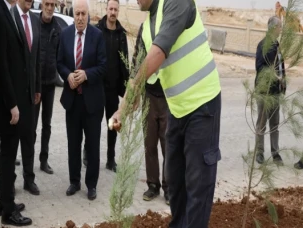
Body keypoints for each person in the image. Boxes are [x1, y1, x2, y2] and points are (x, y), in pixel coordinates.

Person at [110, 0, 222, 227]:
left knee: (197, 184)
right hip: (177, 109)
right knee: (176, 181)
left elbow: (158, 52)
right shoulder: (148, 24)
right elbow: (137, 67)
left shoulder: (177, 3)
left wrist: (133, 94)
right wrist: (123, 108)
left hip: (202, 106)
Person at [0, 0, 41, 224]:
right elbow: (1, 64)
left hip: (16, 97)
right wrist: (12, 103)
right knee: (8, 156)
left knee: (9, 155)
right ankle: (8, 212)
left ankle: (5, 202)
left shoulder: (6, 10)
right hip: (7, 103)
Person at [57, 0, 107, 200]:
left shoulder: (98, 36)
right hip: (73, 101)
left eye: (83, 14)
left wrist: (86, 75)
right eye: (77, 14)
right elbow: (59, 62)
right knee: (73, 143)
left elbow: (103, 66)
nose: (79, 18)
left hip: (92, 102)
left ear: (88, 15)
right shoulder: (66, 35)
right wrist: (67, 75)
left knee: (92, 145)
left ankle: (91, 184)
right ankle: (74, 181)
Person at [84, 0, 128, 172]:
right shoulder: (96, 30)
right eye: (110, 8)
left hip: (112, 89)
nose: (113, 12)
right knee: (92, 124)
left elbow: (124, 63)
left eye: (116, 9)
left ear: (118, 11)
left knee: (112, 125)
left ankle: (111, 159)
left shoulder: (121, 34)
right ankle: (87, 154)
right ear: (106, 9)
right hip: (96, 87)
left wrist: (126, 90)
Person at [131, 21, 168, 203]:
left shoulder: (170, 23)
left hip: (169, 95)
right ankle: (153, 185)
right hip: (149, 95)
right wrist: (134, 91)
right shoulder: (144, 26)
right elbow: (137, 58)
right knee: (150, 143)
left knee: (168, 145)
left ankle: (169, 187)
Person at [12, 0, 42, 196]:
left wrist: (37, 87)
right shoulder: (10, 17)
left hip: (32, 93)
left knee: (29, 137)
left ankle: (29, 179)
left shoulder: (35, 19)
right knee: (12, 139)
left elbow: (37, 58)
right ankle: (9, 181)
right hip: (14, 93)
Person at [32, 0, 61, 175]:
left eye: (52, 5)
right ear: (42, 4)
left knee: (47, 124)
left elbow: (60, 56)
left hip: (50, 84)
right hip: (35, 84)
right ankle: (29, 161)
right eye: (47, 4)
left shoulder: (58, 29)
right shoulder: (34, 23)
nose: (49, 8)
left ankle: (44, 160)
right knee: (32, 125)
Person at [254, 16, 285, 166]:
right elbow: (260, 68)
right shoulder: (263, 45)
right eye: (279, 27)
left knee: (275, 124)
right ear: (273, 28)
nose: (281, 29)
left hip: (275, 92)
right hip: (264, 91)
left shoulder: (277, 46)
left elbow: (281, 67)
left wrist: (282, 82)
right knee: (261, 123)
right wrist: (273, 76)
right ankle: (259, 152)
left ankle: (275, 153)